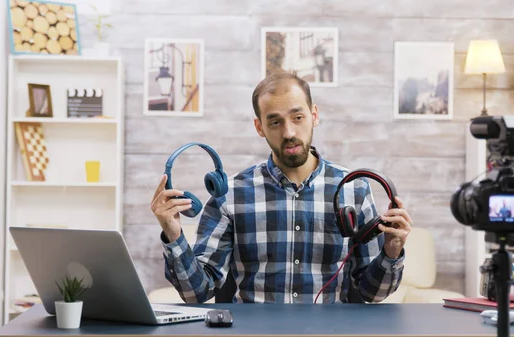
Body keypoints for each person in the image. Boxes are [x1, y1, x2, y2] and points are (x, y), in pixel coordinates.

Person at [151, 71, 413, 304]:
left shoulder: (354, 190)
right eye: (275, 122)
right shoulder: (230, 194)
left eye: (297, 117)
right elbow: (197, 293)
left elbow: (372, 293)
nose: (289, 132)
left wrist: (392, 250)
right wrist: (173, 234)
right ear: (259, 127)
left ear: (314, 116)